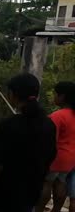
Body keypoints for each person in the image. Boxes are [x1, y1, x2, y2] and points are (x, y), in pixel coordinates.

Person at [0, 73, 57, 212]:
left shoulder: (8, 125)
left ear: (12, 94)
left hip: (0, 197)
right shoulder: (49, 125)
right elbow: (48, 157)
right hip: (28, 198)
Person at [36, 82, 75, 212]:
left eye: (55, 94)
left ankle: (39, 209)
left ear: (62, 97)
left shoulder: (57, 116)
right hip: (70, 159)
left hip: (55, 157)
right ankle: (56, 210)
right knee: (61, 182)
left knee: (46, 182)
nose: (54, 97)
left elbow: (49, 139)